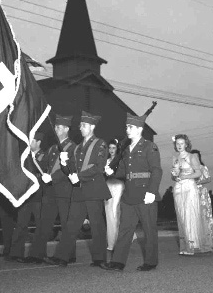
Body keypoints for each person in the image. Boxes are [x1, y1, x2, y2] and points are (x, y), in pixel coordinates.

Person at [45, 111, 111, 267]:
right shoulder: (78, 147)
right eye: (81, 124)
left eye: (84, 125)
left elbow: (98, 167)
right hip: (79, 190)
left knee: (96, 225)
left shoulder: (100, 144)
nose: (80, 127)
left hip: (93, 188)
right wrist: (64, 163)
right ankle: (62, 257)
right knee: (71, 224)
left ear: (92, 126)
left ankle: (100, 259)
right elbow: (72, 169)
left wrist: (79, 176)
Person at [101, 113, 162, 272]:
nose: (127, 129)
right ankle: (118, 262)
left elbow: (156, 170)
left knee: (149, 229)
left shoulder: (149, 146)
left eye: (131, 127)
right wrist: (110, 172)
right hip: (129, 194)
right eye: (127, 127)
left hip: (145, 193)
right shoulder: (126, 149)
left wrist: (152, 191)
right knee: (124, 229)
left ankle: (151, 261)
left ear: (140, 129)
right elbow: (123, 171)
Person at [22, 115, 77, 264]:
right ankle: (36, 254)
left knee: (66, 223)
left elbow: (71, 167)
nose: (56, 130)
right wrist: (32, 156)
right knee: (43, 222)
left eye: (59, 128)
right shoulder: (53, 148)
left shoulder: (73, 148)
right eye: (56, 127)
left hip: (65, 189)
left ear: (66, 129)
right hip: (50, 190)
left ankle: (68, 255)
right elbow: (44, 165)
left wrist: (53, 178)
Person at [6, 131, 52, 262]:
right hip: (26, 195)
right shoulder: (24, 157)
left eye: (32, 141)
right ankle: (15, 253)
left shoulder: (45, 156)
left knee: (41, 225)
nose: (29, 143)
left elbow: (46, 172)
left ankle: (39, 254)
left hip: (39, 195)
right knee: (21, 223)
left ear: (38, 142)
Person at [171, 136, 212, 256]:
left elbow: (198, 173)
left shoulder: (192, 157)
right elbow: (173, 175)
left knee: (190, 215)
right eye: (177, 143)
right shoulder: (175, 158)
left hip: (189, 187)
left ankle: (192, 245)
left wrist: (185, 176)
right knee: (182, 216)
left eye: (182, 143)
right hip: (178, 188)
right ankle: (185, 246)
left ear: (186, 144)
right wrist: (175, 175)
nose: (179, 146)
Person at [104, 138, 125, 261]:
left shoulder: (120, 161)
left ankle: (119, 241)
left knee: (116, 213)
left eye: (114, 148)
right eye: (110, 148)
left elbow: (123, 174)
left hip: (118, 186)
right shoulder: (105, 161)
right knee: (109, 214)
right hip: (108, 187)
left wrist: (113, 173)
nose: (111, 150)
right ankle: (111, 242)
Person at [192, 150, 213, 241]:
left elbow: (208, 179)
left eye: (197, 157)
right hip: (192, 192)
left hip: (201, 192)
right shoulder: (189, 168)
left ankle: (207, 233)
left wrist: (198, 182)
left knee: (204, 212)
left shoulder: (203, 167)